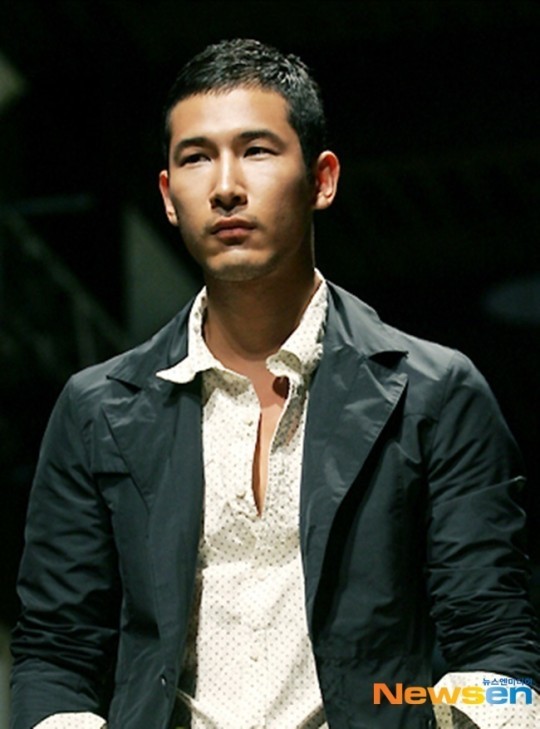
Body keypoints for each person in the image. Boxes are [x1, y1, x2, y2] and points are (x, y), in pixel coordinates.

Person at [10, 38, 540, 729]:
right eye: (196, 157)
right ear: (168, 196)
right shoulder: (97, 409)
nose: (226, 186)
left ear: (322, 179)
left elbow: (495, 644)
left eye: (256, 150)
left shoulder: (435, 392)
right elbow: (56, 651)